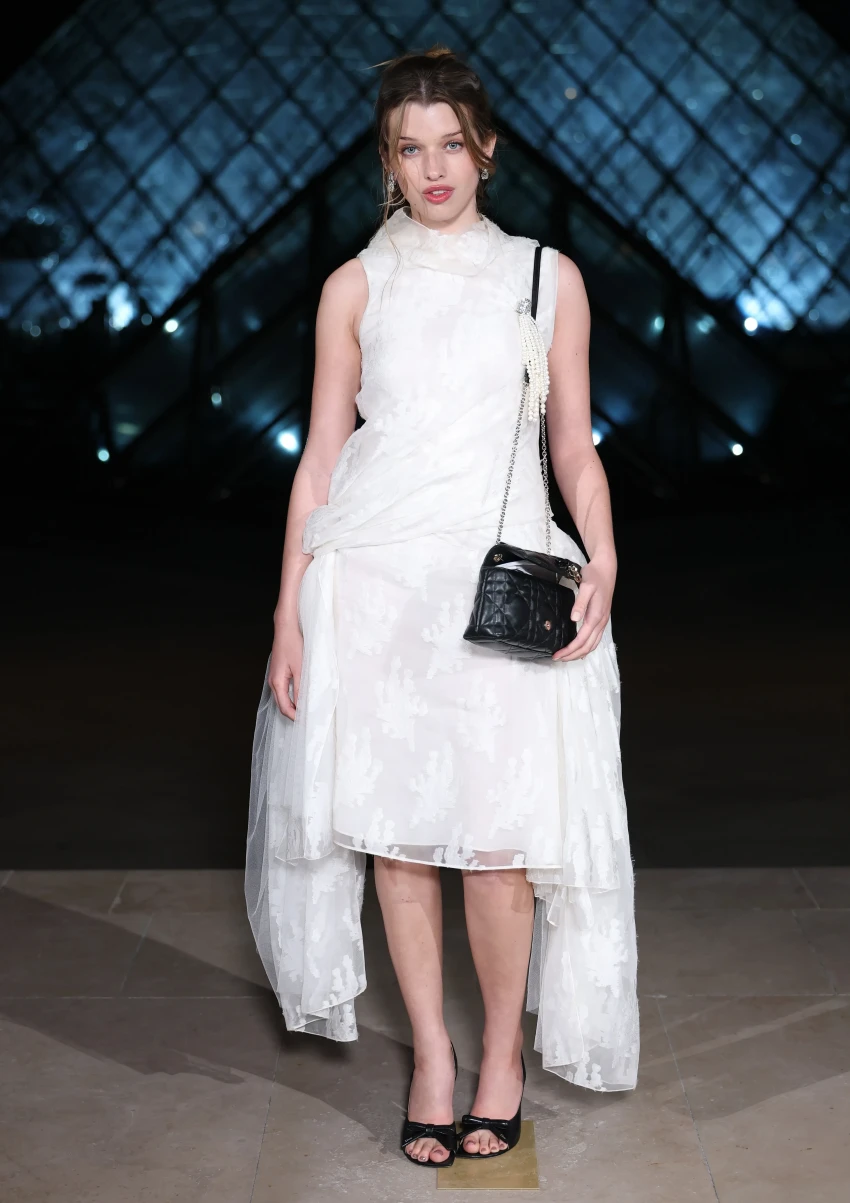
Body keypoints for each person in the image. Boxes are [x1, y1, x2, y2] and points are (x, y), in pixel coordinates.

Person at [245, 45, 639, 1169]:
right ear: (387, 160)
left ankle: (499, 1058)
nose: (433, 168)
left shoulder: (545, 277)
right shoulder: (354, 288)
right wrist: (287, 615)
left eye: (451, 145)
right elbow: (321, 459)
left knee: (500, 846)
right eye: (410, 149)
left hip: (498, 587)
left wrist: (603, 553)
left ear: (486, 150)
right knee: (399, 842)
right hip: (373, 589)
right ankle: (431, 1055)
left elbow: (574, 445)